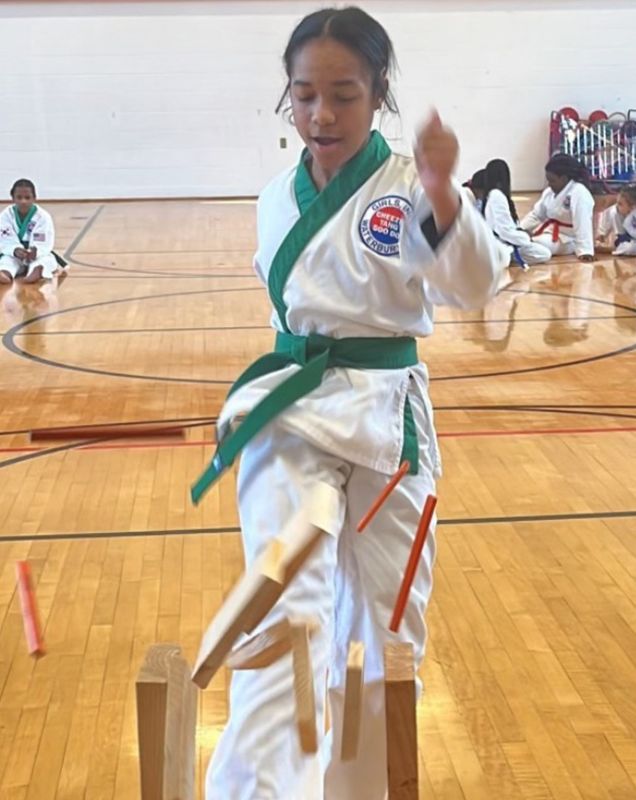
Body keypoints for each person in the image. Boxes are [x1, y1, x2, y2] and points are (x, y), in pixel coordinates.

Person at [194, 8, 508, 799]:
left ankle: (359, 789)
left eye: (343, 94)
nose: (321, 116)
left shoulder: (408, 189)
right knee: (281, 619)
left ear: (378, 97)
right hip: (293, 414)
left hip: (386, 418)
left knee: (384, 631)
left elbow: (476, 285)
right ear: (287, 99)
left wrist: (442, 195)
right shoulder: (275, 197)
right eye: (304, 96)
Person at [520, 154, 595, 262]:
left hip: (568, 240)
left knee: (537, 244)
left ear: (564, 178)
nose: (549, 184)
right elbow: (536, 215)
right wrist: (520, 229)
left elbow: (582, 222)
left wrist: (585, 251)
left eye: (552, 180)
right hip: (550, 234)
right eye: (548, 180)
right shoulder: (549, 193)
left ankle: (516, 252)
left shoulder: (579, 192)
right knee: (527, 240)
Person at [482, 158, 552, 267]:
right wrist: (525, 238)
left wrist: (521, 233)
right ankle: (504, 256)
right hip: (501, 242)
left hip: (504, 241)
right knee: (543, 253)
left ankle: (504, 255)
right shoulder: (497, 196)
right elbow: (504, 230)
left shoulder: (495, 195)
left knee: (542, 250)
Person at [0, 179, 66, 284]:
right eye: (19, 197)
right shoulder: (6, 215)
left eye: (27, 198)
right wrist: (15, 250)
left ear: (34, 198)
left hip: (35, 254)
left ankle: (36, 272)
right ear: (13, 198)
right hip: (15, 254)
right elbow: (5, 239)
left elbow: (44, 242)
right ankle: (4, 273)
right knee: (6, 260)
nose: (23, 201)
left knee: (46, 260)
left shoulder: (42, 216)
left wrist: (35, 251)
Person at [595, 184, 636, 257]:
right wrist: (602, 233)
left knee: (631, 248)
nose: (617, 205)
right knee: (613, 211)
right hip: (625, 239)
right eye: (617, 202)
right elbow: (608, 213)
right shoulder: (615, 211)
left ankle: (614, 249)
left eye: (620, 204)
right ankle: (618, 247)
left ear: (632, 206)